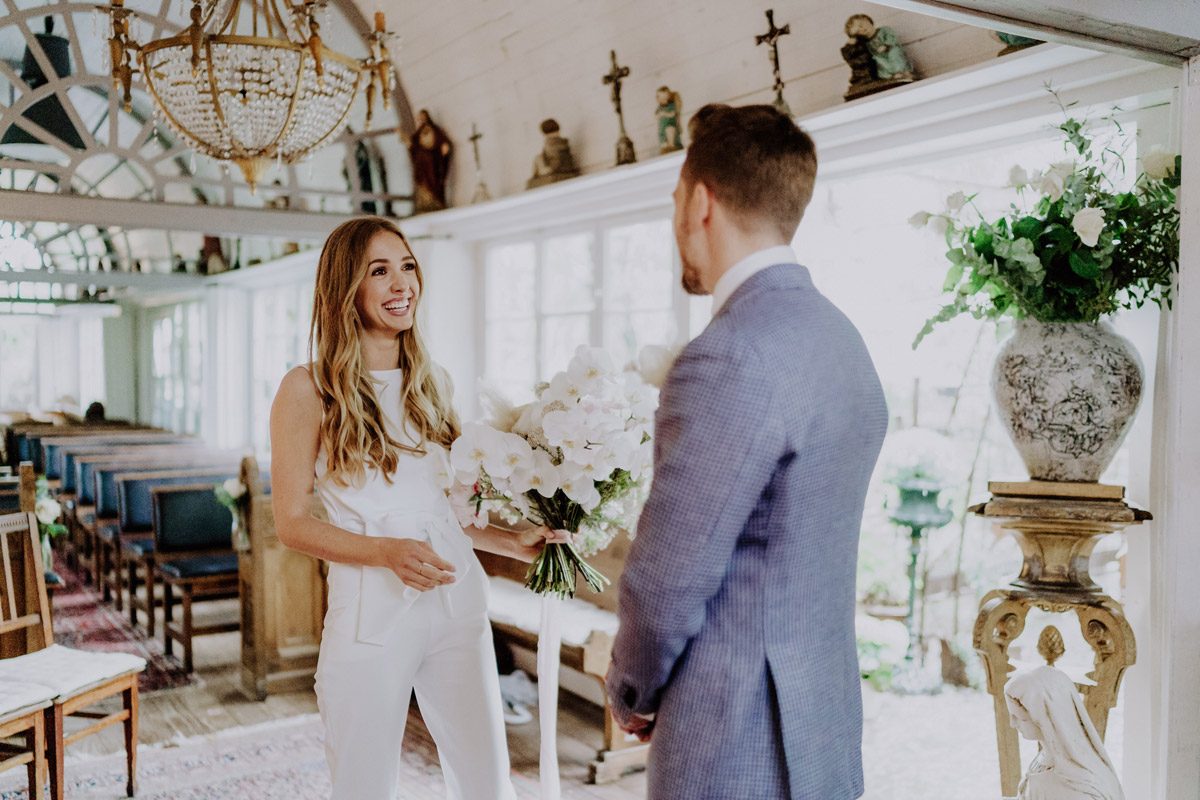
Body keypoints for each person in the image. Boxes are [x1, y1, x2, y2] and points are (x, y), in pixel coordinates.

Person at [605, 103, 888, 799]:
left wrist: (633, 688)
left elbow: (667, 578)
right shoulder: (842, 339)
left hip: (731, 731)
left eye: (675, 200)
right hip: (822, 721)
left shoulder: (728, 355)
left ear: (700, 202)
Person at [270, 217, 566, 799]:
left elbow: (439, 509)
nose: (401, 282)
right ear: (344, 288)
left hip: (457, 605)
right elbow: (292, 524)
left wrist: (509, 541)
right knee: (364, 787)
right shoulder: (307, 389)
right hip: (370, 619)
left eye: (407, 266)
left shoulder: (433, 382)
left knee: (487, 784)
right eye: (379, 271)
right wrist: (386, 553)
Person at [1004, 667, 1124, 800]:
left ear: (1046, 719)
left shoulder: (1079, 786)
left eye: (1021, 718)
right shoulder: (1046, 760)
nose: (1012, 724)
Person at [409, 109, 453, 213]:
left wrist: (444, 147)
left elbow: (442, 142)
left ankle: (436, 204)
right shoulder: (418, 134)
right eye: (419, 118)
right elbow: (413, 145)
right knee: (423, 185)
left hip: (432, 162)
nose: (421, 120)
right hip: (422, 163)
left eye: (423, 117)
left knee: (433, 182)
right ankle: (426, 206)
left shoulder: (434, 130)